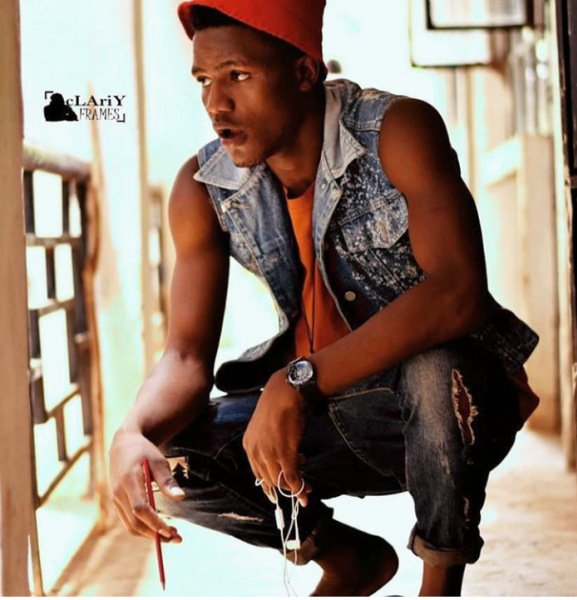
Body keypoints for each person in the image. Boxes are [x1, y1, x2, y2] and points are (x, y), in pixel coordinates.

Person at [109, 0, 540, 595]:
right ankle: (348, 559)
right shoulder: (205, 188)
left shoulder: (398, 131)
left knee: (435, 370)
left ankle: (439, 586)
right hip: (327, 417)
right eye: (204, 80)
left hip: (453, 410)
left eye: (238, 75)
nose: (216, 103)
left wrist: (297, 380)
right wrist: (131, 432)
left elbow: (458, 293)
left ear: (304, 71)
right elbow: (184, 355)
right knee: (173, 454)